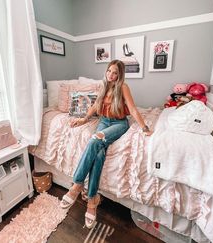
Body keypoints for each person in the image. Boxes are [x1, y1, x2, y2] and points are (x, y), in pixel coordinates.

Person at [60, 59, 153, 228]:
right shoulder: (104, 85)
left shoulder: (123, 87)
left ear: (120, 74)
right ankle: (92, 200)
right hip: (103, 122)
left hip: (119, 124)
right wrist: (83, 119)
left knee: (95, 140)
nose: (111, 75)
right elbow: (96, 106)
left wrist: (145, 127)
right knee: (99, 152)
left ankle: (77, 185)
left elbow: (132, 109)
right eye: (109, 71)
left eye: (115, 72)